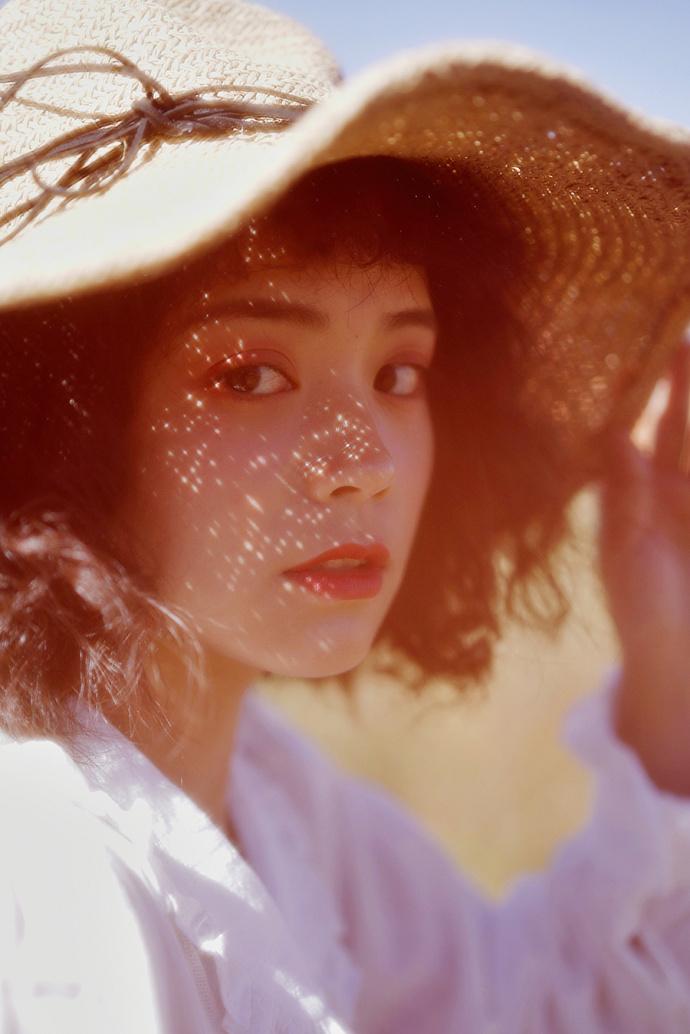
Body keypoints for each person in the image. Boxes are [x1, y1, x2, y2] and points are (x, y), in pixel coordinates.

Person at [1, 0, 690, 1031]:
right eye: (250, 374)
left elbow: (541, 1004)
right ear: (54, 420)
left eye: (399, 371)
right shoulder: (48, 884)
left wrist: (669, 662)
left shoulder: (276, 800)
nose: (364, 463)